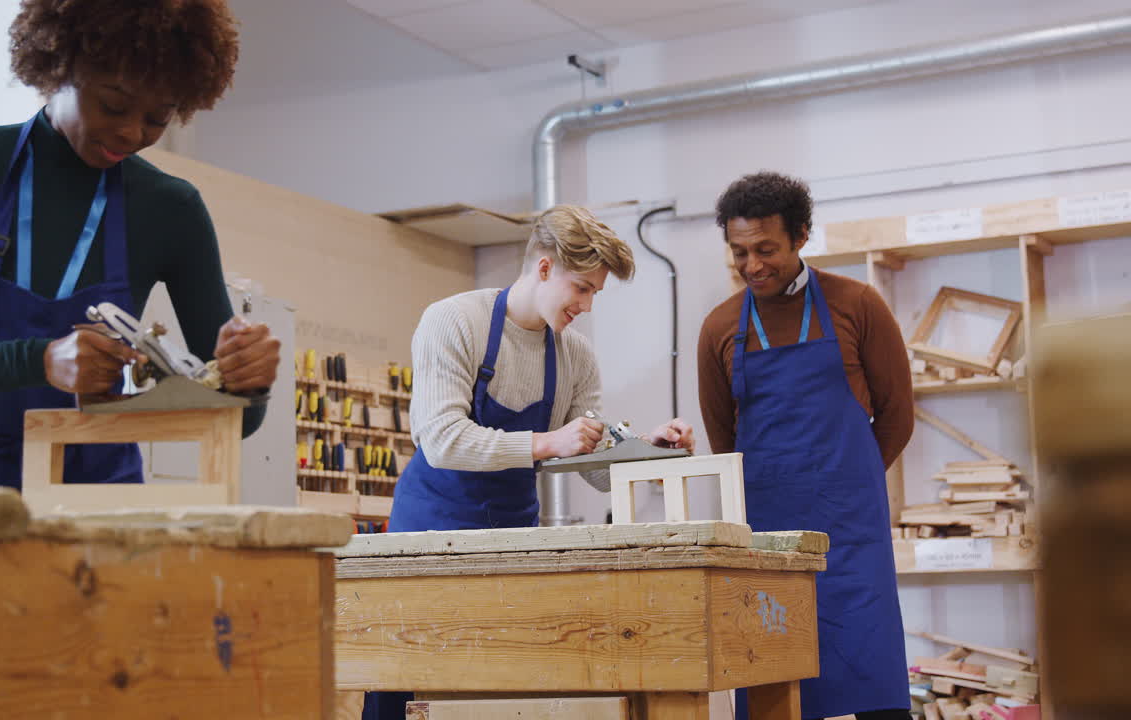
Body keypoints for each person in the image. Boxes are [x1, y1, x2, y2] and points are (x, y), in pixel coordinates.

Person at [0, 0, 279, 489]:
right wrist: (42, 361)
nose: (131, 132)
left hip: (91, 498)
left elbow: (236, 421)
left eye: (158, 119)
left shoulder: (171, 209)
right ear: (60, 65)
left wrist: (247, 380)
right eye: (112, 105)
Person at [364, 204, 695, 720]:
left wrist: (647, 451)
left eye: (594, 294)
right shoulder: (454, 321)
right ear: (544, 268)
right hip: (430, 535)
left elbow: (593, 466)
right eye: (581, 288)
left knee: (502, 687)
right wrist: (545, 443)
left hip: (514, 539)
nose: (585, 305)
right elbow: (443, 441)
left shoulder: (575, 355)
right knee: (412, 680)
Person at [696, 172, 913, 720]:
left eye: (767, 249)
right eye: (740, 252)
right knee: (771, 670)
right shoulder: (719, 327)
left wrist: (851, 478)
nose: (752, 265)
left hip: (852, 531)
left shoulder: (857, 304)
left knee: (872, 673)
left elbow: (898, 415)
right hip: (768, 533)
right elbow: (725, 440)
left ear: (801, 237)